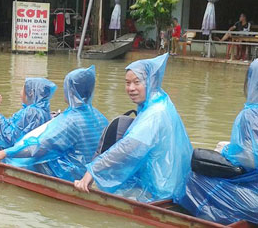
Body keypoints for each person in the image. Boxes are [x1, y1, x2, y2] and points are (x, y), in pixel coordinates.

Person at [74, 54, 193, 203]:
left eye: (137, 82)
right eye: (127, 83)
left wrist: (93, 171)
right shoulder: (159, 101)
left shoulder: (155, 113)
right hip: (171, 184)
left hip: (160, 190)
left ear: (151, 82)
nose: (131, 88)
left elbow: (128, 148)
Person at [0, 66, 109, 182]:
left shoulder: (70, 120)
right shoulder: (100, 117)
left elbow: (39, 146)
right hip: (88, 173)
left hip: (68, 174)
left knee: (20, 158)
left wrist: (3, 154)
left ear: (71, 90)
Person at [175, 60, 258, 225]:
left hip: (254, 200)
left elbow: (250, 160)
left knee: (192, 178)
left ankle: (213, 219)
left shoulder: (250, 115)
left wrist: (227, 150)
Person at [0, 78, 57, 150]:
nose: (20, 92)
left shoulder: (32, 112)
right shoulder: (41, 110)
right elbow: (10, 126)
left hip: (11, 154)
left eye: (22, 89)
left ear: (30, 93)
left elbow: (9, 139)